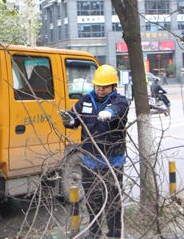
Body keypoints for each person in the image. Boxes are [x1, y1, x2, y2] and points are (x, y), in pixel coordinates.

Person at [58, 65, 129, 239]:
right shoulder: (86, 100)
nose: (100, 89)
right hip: (90, 162)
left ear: (113, 86)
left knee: (112, 203)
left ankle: (114, 234)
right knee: (93, 200)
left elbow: (119, 110)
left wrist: (109, 113)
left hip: (113, 162)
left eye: (104, 87)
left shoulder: (119, 101)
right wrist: (68, 119)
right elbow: (75, 119)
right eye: (98, 86)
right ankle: (94, 232)